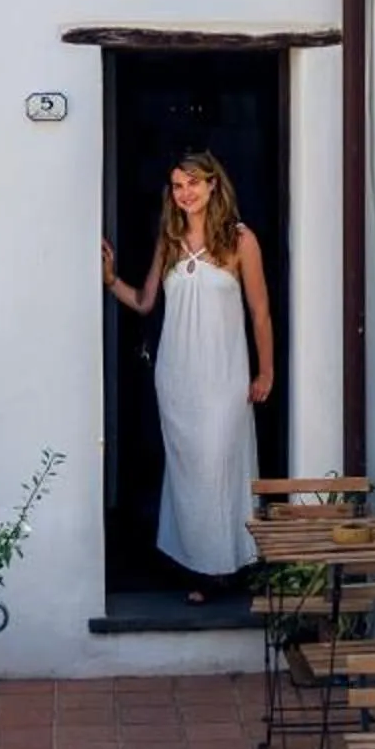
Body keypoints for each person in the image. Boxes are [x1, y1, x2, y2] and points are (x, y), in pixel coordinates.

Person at [104, 152, 275, 604]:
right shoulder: (170, 239)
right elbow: (145, 302)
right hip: (177, 378)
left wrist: (266, 371)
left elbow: (260, 312)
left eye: (193, 183)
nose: (185, 193)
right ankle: (201, 568)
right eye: (178, 186)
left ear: (213, 184)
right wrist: (110, 279)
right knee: (189, 474)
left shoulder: (240, 240)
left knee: (219, 464)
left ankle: (228, 565)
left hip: (225, 377)